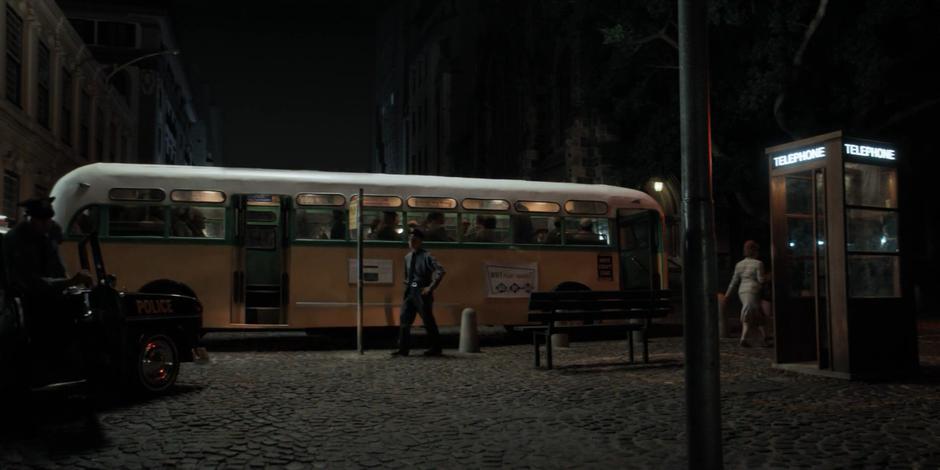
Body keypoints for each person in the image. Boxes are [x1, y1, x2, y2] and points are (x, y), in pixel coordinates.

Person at [391, 228, 445, 357]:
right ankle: (403, 349)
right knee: (404, 320)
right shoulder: (407, 257)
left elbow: (440, 270)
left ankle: (436, 347)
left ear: (420, 241)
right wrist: (408, 284)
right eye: (410, 239)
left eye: (414, 239)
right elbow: (407, 275)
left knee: (428, 320)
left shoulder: (427, 256)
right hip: (411, 290)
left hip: (421, 291)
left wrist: (430, 287)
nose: (411, 242)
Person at [722, 240, 771, 347]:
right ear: (755, 251)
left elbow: (734, 282)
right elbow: (761, 280)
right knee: (752, 313)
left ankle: (762, 337)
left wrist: (727, 295)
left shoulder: (739, 264)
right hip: (753, 290)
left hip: (742, 291)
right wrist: (769, 276)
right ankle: (753, 338)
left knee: (753, 313)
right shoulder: (758, 264)